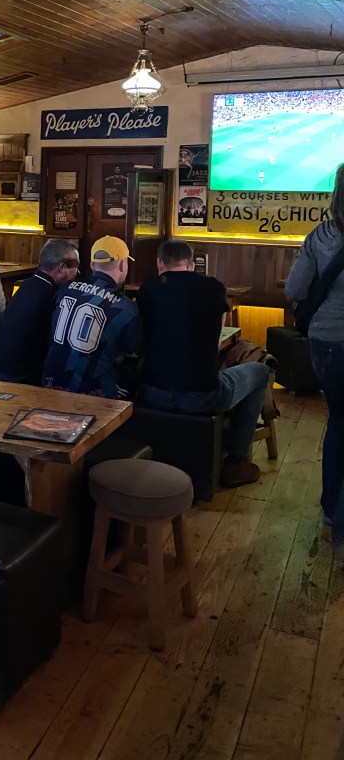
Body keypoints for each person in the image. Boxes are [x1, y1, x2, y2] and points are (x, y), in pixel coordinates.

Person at [137, 238, 270, 488]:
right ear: (191, 265)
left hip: (152, 393)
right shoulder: (212, 288)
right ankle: (236, 462)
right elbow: (216, 340)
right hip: (202, 396)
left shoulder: (149, 288)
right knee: (260, 372)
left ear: (159, 263)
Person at [285, 161, 344, 526]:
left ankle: (331, 508)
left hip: (327, 342)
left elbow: (294, 289)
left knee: (338, 421)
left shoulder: (321, 236)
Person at [42, 235, 138, 399]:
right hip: (95, 396)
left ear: (93, 265)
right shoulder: (127, 307)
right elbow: (127, 352)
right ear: (123, 264)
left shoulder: (64, 289)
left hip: (50, 386)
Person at [0, 238, 80, 384]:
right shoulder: (53, 296)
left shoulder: (27, 285)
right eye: (75, 265)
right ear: (61, 267)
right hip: (18, 375)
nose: (78, 270)